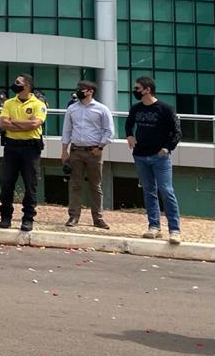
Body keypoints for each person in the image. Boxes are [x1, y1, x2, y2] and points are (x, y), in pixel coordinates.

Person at [126, 76, 182, 243]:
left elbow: (177, 131)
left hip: (160, 157)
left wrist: (167, 148)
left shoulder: (165, 109)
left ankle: (174, 230)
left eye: (137, 88)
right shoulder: (136, 108)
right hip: (140, 155)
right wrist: (129, 135)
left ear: (147, 90)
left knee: (166, 190)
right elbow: (129, 124)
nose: (135, 91)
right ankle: (154, 227)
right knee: (149, 191)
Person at [60, 80, 114, 230]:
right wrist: (64, 150)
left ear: (90, 91)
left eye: (82, 89)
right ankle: (73, 216)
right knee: (75, 185)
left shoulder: (102, 109)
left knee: (95, 185)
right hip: (76, 150)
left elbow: (109, 130)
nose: (79, 91)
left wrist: (100, 147)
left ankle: (98, 218)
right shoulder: (72, 108)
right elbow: (67, 130)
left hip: (94, 152)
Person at [0, 74, 47, 232]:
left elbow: (35, 124)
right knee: (6, 184)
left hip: (31, 148)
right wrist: (23, 124)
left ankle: (28, 218)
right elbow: (3, 124)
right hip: (11, 147)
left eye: (18, 82)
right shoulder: (9, 103)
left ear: (27, 86)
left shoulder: (39, 104)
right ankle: (5, 217)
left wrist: (14, 122)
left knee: (30, 185)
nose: (14, 84)